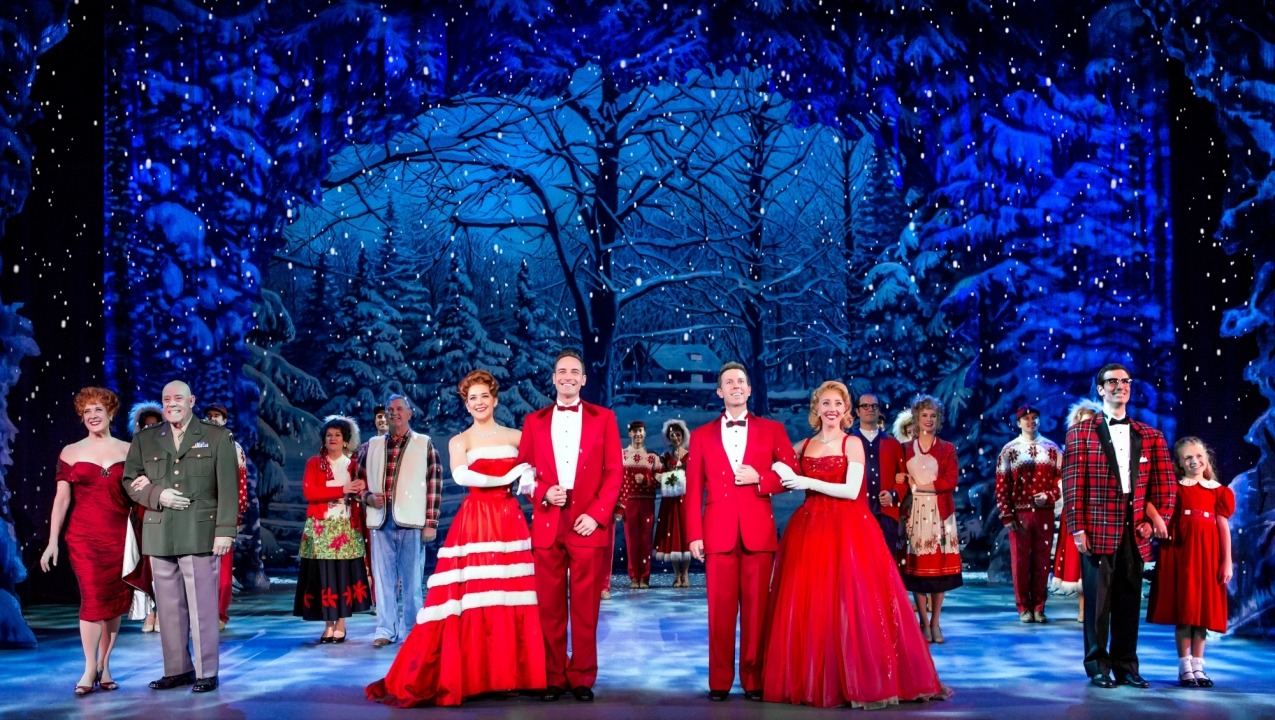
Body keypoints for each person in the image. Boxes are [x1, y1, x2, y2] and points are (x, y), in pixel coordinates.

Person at [763, 381, 947, 708]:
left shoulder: (852, 444)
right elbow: (778, 469)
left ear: (846, 410)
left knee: (853, 603)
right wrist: (763, 472)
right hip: (809, 530)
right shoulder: (804, 445)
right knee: (812, 605)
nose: (832, 408)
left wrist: (804, 481)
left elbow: (851, 491)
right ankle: (816, 678)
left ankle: (859, 678)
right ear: (816, 408)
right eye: (826, 403)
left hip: (848, 528)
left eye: (838, 403)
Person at [368, 370, 546, 706]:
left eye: (484, 397)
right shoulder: (459, 440)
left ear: (494, 399)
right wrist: (513, 472)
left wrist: (530, 479)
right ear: (466, 404)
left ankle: (510, 673)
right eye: (472, 398)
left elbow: (532, 476)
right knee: (471, 597)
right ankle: (474, 673)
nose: (478, 403)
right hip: (476, 520)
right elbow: (463, 475)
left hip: (509, 520)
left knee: (510, 594)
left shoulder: (516, 436)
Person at [685, 362, 798, 702]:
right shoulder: (702, 435)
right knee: (719, 612)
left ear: (749, 390)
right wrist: (693, 534)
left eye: (741, 381)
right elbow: (693, 491)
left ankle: (754, 679)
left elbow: (792, 473)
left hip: (758, 534)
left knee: (756, 612)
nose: (735, 386)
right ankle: (719, 681)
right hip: (717, 535)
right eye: (728, 382)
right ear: (719, 391)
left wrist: (761, 479)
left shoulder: (772, 429)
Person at [1061, 363, 1176, 689]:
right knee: (1098, 604)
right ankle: (1098, 665)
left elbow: (1166, 486)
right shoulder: (1080, 433)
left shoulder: (1150, 435)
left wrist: (1157, 523)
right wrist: (1077, 527)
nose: (1119, 386)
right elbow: (1072, 485)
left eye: (1125, 381)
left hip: (1135, 531)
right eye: (1112, 382)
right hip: (1097, 529)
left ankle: (1126, 665)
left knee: (1128, 601)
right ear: (1100, 389)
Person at [517, 349, 623, 702]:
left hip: (587, 522)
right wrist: (544, 492)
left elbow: (614, 473)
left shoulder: (604, 418)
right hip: (549, 519)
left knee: (585, 605)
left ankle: (581, 677)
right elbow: (524, 474)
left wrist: (596, 515)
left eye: (574, 371)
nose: (567, 377)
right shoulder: (534, 421)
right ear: (553, 378)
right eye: (561, 371)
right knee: (548, 606)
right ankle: (552, 676)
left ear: (583, 379)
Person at [123, 380, 239, 693]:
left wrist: (225, 531)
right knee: (169, 608)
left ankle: (206, 671)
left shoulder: (216, 436)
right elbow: (130, 479)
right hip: (160, 532)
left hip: (201, 531)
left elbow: (228, 488)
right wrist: (157, 495)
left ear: (192, 400)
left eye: (178, 398)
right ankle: (177, 669)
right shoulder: (146, 439)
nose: (172, 403)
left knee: (203, 607)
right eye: (166, 398)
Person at [39, 387, 144, 695]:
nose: (93, 416)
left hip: (120, 537)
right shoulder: (70, 451)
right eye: (87, 412)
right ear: (81, 417)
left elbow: (140, 491)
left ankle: (106, 665)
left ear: (111, 413)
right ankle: (88, 668)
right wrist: (52, 541)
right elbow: (61, 500)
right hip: (84, 538)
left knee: (113, 606)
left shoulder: (129, 450)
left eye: (98, 410)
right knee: (93, 600)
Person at [358, 395, 443, 648]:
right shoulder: (370, 446)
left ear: (409, 414)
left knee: (412, 582)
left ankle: (413, 630)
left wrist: (431, 522)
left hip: (412, 522)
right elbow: (358, 483)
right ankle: (385, 629)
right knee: (383, 582)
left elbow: (434, 485)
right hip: (381, 523)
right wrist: (367, 497)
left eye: (399, 409)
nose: (393, 413)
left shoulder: (424, 444)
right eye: (389, 409)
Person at [1146, 438, 1232, 688]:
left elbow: (1223, 527)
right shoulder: (1176, 487)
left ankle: (1198, 666)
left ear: (1206, 458)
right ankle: (1185, 667)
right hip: (1182, 554)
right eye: (1188, 458)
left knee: (1202, 614)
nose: (1194, 461)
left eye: (1198, 456)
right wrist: (1158, 522)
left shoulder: (1218, 490)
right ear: (1180, 464)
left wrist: (1227, 561)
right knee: (1186, 611)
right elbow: (1149, 502)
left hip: (1208, 555)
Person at [294, 416, 371, 642]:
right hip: (321, 527)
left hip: (346, 526)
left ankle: (342, 624)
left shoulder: (354, 465)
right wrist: (342, 489)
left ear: (346, 441)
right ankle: (328, 624)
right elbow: (311, 493)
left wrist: (360, 488)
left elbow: (362, 492)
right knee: (325, 576)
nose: (333, 439)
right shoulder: (314, 463)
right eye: (329, 435)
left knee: (342, 575)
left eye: (338, 435)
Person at [901, 394, 962, 643]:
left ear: (939, 420)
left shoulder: (946, 449)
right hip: (914, 515)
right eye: (924, 415)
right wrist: (904, 485)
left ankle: (936, 622)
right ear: (916, 418)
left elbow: (950, 480)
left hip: (939, 515)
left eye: (933, 416)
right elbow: (900, 480)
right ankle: (923, 623)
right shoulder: (904, 449)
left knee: (939, 572)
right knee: (918, 572)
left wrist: (920, 487)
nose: (928, 420)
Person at [994, 405, 1062, 623]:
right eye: (1026, 419)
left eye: (1034, 418)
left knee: (1042, 561)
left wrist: (1050, 495)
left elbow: (1062, 481)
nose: (1031, 422)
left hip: (1044, 513)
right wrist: (1007, 515)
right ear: (1018, 423)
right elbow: (1002, 484)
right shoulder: (1009, 450)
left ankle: (1039, 606)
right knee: (1020, 562)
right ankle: (1023, 606)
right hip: (1020, 515)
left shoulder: (1052, 449)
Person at [1053, 400, 1102, 621]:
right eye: (1083, 423)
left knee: (1099, 564)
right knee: (1079, 564)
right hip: (1076, 512)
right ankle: (1083, 608)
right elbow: (1061, 480)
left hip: (1100, 513)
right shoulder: (1070, 451)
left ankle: (1099, 608)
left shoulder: (1105, 449)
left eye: (1091, 422)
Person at [202, 403, 248, 631]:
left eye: (216, 416)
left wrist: (235, 517)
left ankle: (219, 613)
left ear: (224, 420)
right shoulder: (196, 444)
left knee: (223, 572)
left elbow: (240, 485)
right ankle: (200, 614)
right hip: (199, 517)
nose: (212, 419)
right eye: (208, 415)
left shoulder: (234, 447)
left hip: (223, 517)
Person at [851, 392, 908, 563]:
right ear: (857, 412)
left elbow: (904, 478)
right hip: (855, 514)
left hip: (886, 515)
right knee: (858, 564)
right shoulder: (848, 441)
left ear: (879, 411)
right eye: (865, 406)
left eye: (874, 406)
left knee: (886, 564)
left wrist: (893, 494)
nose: (870, 409)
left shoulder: (893, 444)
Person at [128, 401, 163, 633]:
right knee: (146, 564)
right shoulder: (135, 449)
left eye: (156, 424)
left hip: (163, 509)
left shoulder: (168, 447)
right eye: (146, 425)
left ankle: (162, 611)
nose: (150, 429)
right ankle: (149, 611)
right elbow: (131, 480)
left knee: (162, 564)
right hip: (141, 512)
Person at [619, 420, 662, 588]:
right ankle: (633, 576)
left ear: (645, 434)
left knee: (645, 540)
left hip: (646, 502)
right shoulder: (621, 455)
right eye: (635, 431)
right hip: (628, 502)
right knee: (631, 541)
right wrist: (618, 505)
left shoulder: (652, 457)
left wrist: (646, 479)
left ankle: (644, 577)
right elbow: (616, 482)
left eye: (641, 431)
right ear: (630, 434)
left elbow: (661, 481)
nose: (638, 434)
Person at [654, 419, 692, 587]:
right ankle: (677, 574)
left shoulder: (690, 456)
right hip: (670, 502)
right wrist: (661, 477)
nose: (675, 437)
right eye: (672, 435)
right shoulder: (665, 457)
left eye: (678, 434)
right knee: (673, 536)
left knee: (686, 535)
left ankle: (686, 574)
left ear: (682, 436)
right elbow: (658, 475)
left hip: (686, 502)